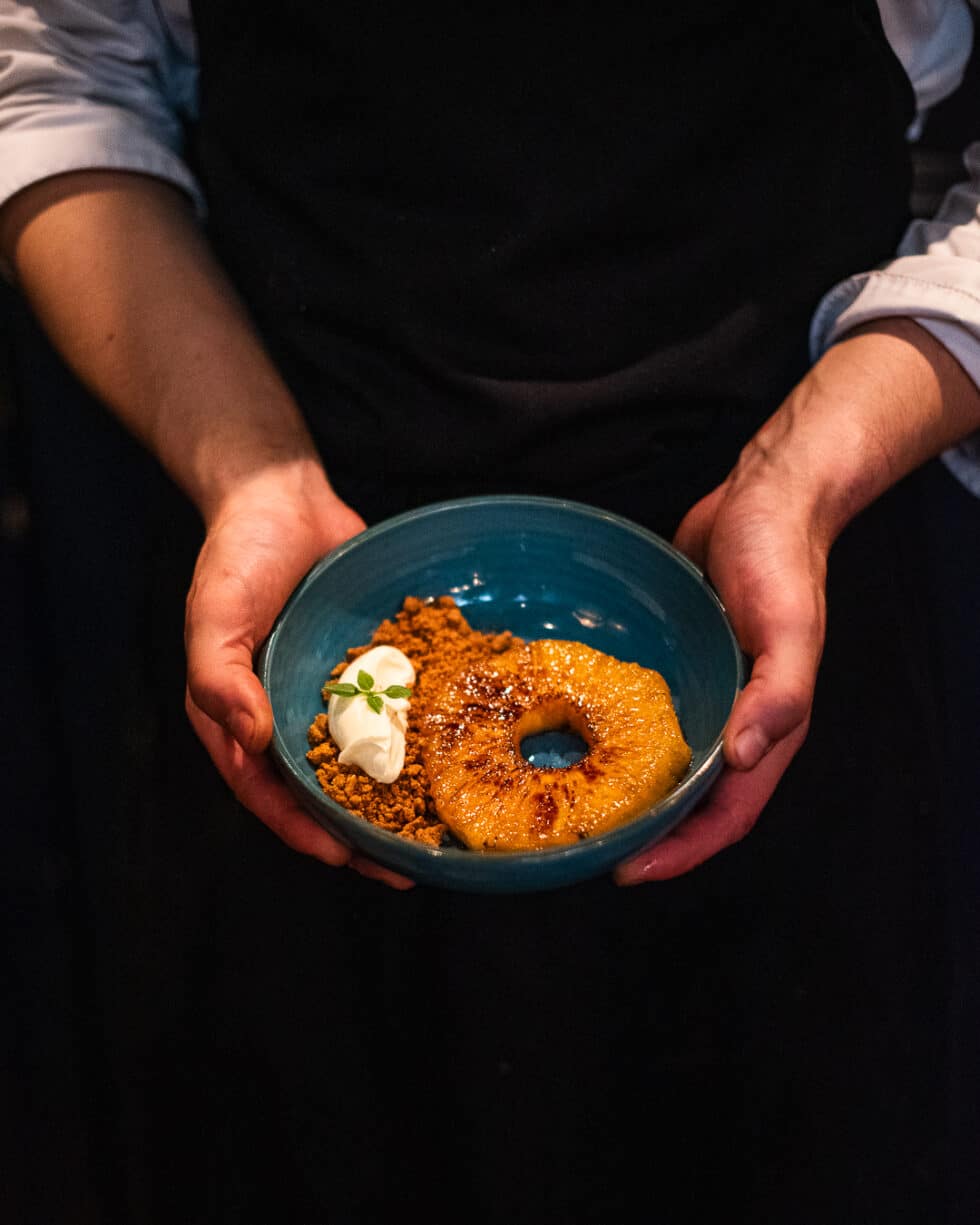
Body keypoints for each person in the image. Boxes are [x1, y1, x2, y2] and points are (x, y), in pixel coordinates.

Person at [1, 3, 978, 1222]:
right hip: (299, 581)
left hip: (785, 573)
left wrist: (804, 472)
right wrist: (240, 462)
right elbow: (59, 86)